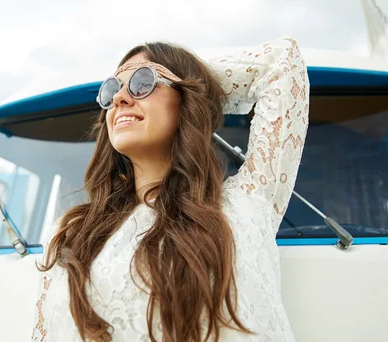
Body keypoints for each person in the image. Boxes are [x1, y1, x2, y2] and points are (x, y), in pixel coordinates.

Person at [32, 36, 309, 341]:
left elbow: (283, 60)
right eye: (111, 90)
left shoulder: (246, 203)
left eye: (142, 81)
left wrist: (196, 84)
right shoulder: (71, 232)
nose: (120, 98)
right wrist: (148, 77)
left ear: (186, 100)